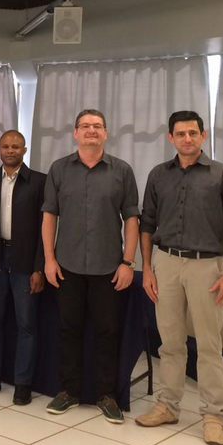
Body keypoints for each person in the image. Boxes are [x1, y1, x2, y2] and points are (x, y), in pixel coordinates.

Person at [135, 110, 223, 445]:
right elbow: (147, 224)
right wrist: (147, 268)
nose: (187, 138)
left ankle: (214, 414)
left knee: (209, 345)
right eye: (180, 133)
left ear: (203, 135)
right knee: (169, 342)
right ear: (170, 137)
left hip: (207, 268)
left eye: (193, 133)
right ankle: (168, 405)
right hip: (166, 264)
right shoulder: (158, 175)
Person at [41, 109, 139, 423]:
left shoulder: (122, 171)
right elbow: (49, 216)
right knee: (68, 329)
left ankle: (106, 395)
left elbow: (132, 220)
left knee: (107, 332)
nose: (91, 131)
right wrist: (48, 259)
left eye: (97, 126)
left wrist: (128, 262)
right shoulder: (59, 169)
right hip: (66, 264)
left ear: (106, 133)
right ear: (75, 132)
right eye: (85, 126)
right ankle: (69, 392)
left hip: (109, 267)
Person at [0, 130, 46, 403]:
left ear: (24, 150)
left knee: (26, 324)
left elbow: (45, 231)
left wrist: (40, 267)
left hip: (25, 262)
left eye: (16, 146)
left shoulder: (39, 182)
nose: (11, 150)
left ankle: (23, 383)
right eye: (6, 146)